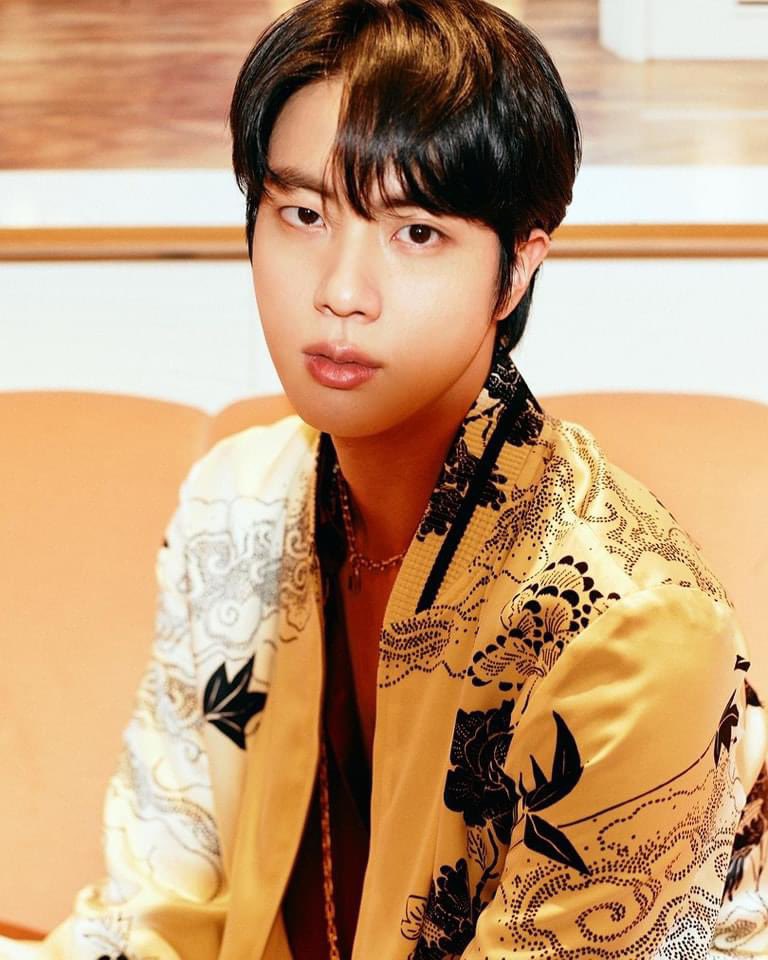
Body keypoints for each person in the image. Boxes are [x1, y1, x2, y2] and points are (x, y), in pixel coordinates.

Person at [3, 0, 768, 957]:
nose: (340, 291)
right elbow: (156, 908)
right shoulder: (237, 508)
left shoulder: (632, 628)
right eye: (304, 214)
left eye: (416, 233)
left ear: (517, 268)